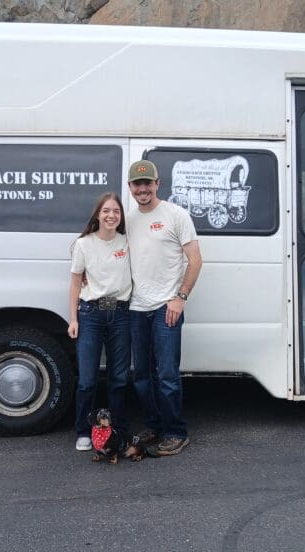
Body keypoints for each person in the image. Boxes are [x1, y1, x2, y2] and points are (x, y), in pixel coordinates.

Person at [125, 160, 202, 457]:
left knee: (167, 375)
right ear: (131, 187)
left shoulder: (175, 215)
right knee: (142, 375)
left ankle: (175, 432)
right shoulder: (128, 220)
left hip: (166, 308)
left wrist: (180, 297)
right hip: (136, 309)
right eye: (137, 184)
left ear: (157, 184)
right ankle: (154, 425)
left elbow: (195, 260)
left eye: (148, 183)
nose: (143, 189)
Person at [68, 192, 132, 451]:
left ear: (120, 216)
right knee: (87, 380)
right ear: (98, 214)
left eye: (116, 211)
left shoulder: (128, 243)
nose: (111, 215)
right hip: (90, 314)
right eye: (106, 210)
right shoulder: (83, 244)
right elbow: (74, 284)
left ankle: (116, 430)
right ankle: (84, 430)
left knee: (119, 378)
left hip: (121, 314)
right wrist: (73, 319)